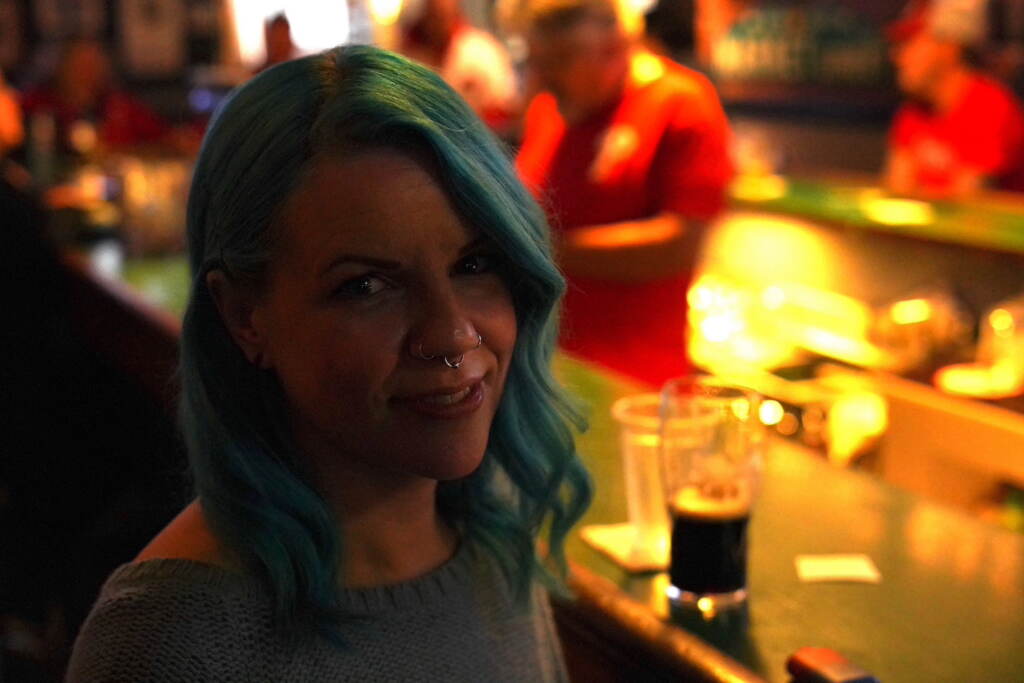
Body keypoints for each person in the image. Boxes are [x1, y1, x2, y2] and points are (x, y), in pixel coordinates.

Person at [66, 45, 591, 680]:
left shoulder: (495, 536)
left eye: (475, 264)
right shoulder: (168, 644)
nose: (451, 334)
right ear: (244, 316)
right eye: (367, 285)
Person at [513, 0, 733, 387]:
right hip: (546, 365)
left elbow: (680, 244)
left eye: (558, 61)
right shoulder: (548, 109)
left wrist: (539, 250)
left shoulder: (681, 102)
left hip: (633, 378)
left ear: (615, 47)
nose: (543, 77)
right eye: (537, 60)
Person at [885, 0, 1024, 198]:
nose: (897, 56)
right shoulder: (913, 112)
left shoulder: (990, 108)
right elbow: (896, 197)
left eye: (910, 42)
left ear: (949, 46)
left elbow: (968, 213)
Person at [21, 37, 169, 155]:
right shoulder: (38, 104)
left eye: (93, 65)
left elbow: (163, 137)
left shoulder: (119, 106)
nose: (87, 73)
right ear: (62, 67)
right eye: (79, 65)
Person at [400, 0, 519, 132]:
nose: (437, 23)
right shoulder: (411, 55)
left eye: (442, 15)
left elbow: (506, 108)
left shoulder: (482, 50)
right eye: (433, 15)